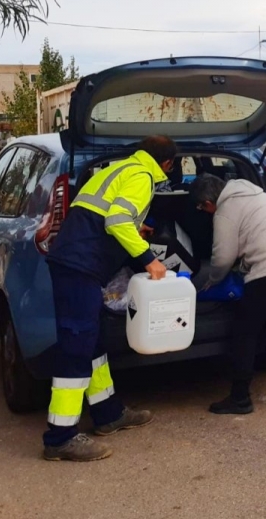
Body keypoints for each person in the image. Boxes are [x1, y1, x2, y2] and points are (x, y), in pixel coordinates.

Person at [41, 135, 179, 462]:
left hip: (77, 262)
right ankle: (60, 438)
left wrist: (136, 228)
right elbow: (116, 220)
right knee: (76, 348)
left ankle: (108, 415)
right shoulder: (143, 176)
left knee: (93, 342)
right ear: (168, 164)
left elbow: (105, 214)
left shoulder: (117, 169)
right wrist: (149, 259)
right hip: (80, 266)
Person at [190, 174, 266, 415]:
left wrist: (212, 281)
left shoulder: (225, 210)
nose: (204, 212)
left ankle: (240, 399)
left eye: (202, 207)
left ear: (207, 203)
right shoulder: (253, 192)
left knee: (245, 331)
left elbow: (223, 257)